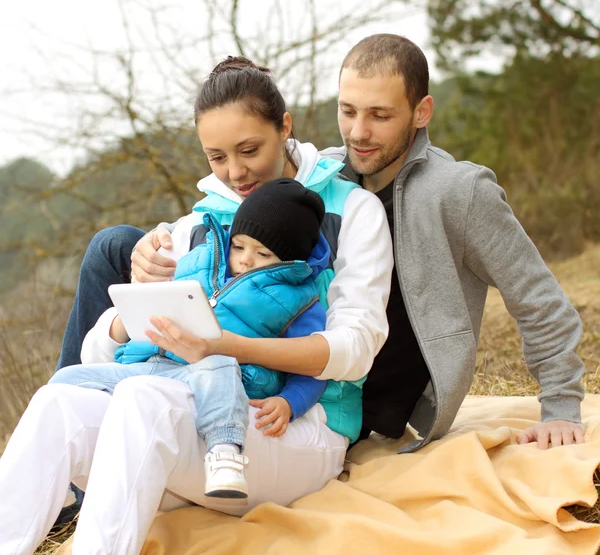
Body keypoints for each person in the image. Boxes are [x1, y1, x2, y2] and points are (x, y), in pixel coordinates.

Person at [97, 36, 586, 454]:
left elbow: (536, 297)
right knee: (116, 246)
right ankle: (84, 433)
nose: (358, 132)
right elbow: (231, 210)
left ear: (421, 112)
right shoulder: (321, 176)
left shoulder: (460, 193)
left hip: (354, 390)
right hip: (289, 369)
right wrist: (158, 240)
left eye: (379, 115)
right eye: (347, 112)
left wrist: (561, 405)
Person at [0, 56, 392, 555]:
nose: (235, 172)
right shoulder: (193, 228)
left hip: (292, 425)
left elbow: (355, 349)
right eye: (216, 157)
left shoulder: (352, 211)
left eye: (249, 149)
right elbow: (98, 358)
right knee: (57, 403)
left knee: (145, 400)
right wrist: (125, 321)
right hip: (183, 416)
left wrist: (223, 347)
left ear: (285, 127)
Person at [48, 178, 332, 500]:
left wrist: (290, 402)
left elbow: (311, 367)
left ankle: (225, 454)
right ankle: (56, 477)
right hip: (153, 365)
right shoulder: (201, 263)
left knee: (218, 362)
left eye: (263, 253)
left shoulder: (300, 301)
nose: (245, 260)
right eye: (238, 246)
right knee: (66, 379)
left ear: (289, 260)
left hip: (218, 381)